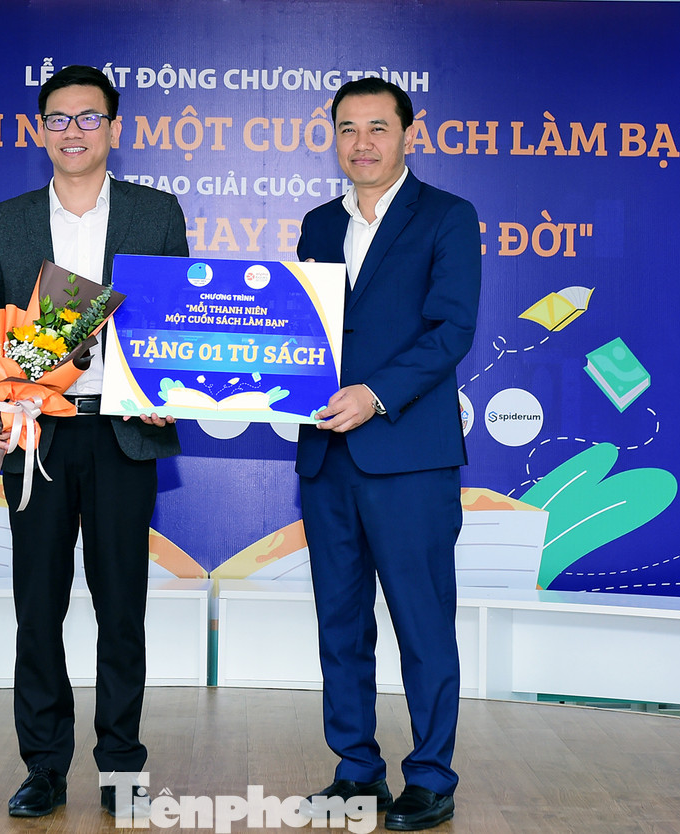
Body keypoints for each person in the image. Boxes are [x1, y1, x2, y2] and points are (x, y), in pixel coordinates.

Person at [0, 65, 187, 819]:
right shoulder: (6, 221)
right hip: (35, 438)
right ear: (40, 130)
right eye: (59, 118)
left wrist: (168, 392)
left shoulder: (156, 213)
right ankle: (44, 767)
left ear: (115, 128)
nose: (74, 131)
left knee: (122, 609)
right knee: (38, 606)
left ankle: (121, 767)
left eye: (89, 117)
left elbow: (178, 319)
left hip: (122, 435)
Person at [295, 77, 482, 831]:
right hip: (326, 458)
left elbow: (452, 329)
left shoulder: (447, 216)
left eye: (377, 127)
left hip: (408, 456)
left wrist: (375, 394)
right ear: (333, 139)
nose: (362, 143)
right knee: (340, 625)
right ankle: (356, 771)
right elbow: (301, 334)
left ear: (409, 134)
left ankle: (431, 776)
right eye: (347, 128)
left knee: (422, 623)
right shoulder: (316, 225)